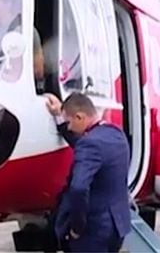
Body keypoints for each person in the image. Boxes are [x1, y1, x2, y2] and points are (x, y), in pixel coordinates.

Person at [52, 92, 131, 252]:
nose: (69, 128)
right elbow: (91, 150)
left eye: (69, 122)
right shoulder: (116, 134)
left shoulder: (88, 144)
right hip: (117, 226)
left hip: (93, 230)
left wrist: (77, 227)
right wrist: (59, 115)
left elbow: (78, 188)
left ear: (79, 117)